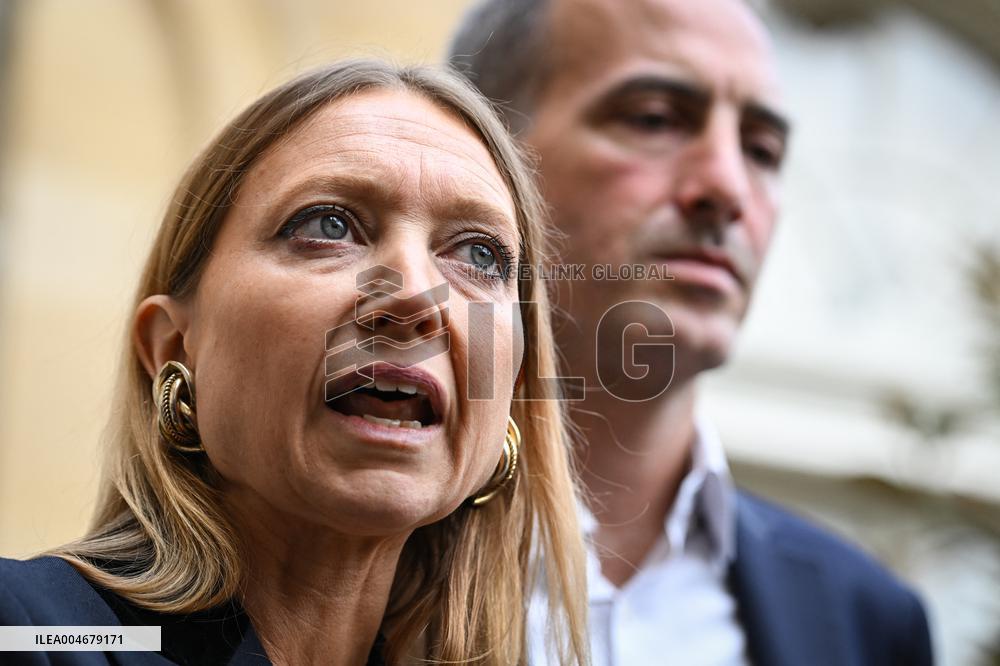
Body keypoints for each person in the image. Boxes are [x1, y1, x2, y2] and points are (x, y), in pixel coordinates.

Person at [0, 59, 589, 666]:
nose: (415, 293)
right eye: (329, 225)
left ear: (511, 392)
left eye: (480, 255)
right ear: (175, 347)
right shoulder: (30, 632)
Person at [449, 1, 935, 664]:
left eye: (762, 150)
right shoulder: (322, 556)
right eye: (654, 118)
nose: (727, 187)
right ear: (480, 156)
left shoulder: (868, 624)